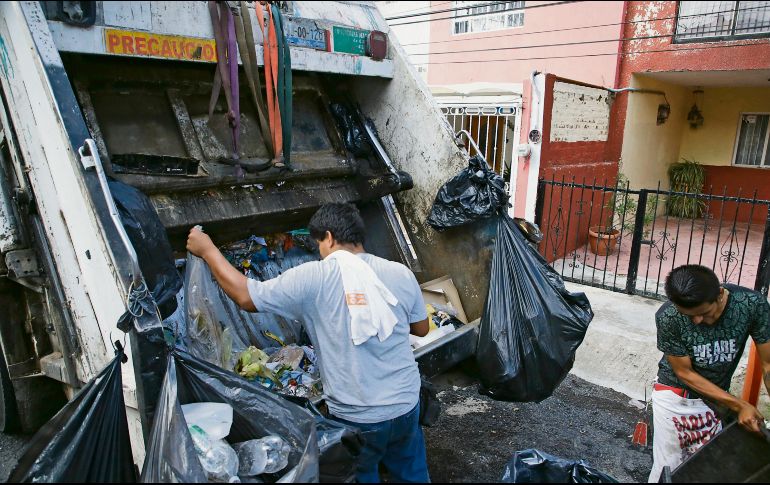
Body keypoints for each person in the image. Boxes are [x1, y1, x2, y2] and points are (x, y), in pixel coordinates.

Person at [186, 202, 431, 483]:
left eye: (318, 245)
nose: (320, 252)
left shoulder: (315, 275)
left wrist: (207, 250)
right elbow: (421, 329)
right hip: (406, 406)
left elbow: (246, 296)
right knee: (412, 474)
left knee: (362, 474)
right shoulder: (399, 273)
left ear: (328, 237)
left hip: (357, 416)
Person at [648, 264, 770, 482]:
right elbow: (684, 373)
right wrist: (739, 405)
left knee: (709, 472)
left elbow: (769, 365)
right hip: (676, 399)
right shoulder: (668, 316)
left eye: (704, 313)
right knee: (670, 470)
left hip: (716, 401)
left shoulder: (750, 304)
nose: (696, 321)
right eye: (689, 316)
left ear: (720, 294)